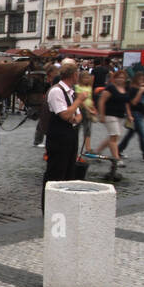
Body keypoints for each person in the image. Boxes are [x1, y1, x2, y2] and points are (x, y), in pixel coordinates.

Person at [42, 60, 84, 212]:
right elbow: (65, 114)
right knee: (55, 173)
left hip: (70, 135)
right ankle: (49, 207)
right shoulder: (56, 91)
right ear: (73, 75)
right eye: (77, 74)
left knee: (69, 172)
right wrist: (78, 103)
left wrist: (73, 115)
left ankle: (63, 207)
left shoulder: (71, 93)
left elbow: (78, 116)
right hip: (58, 137)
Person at [95, 68, 132, 166]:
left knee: (114, 136)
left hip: (119, 116)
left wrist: (129, 115)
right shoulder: (110, 88)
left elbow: (126, 103)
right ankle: (117, 159)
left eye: (123, 78)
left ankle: (97, 151)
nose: (121, 79)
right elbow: (101, 101)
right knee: (115, 136)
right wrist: (101, 115)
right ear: (114, 78)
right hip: (109, 114)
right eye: (119, 77)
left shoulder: (125, 88)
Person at [119, 70, 144, 163]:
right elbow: (133, 102)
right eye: (140, 79)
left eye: (143, 79)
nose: (141, 80)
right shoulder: (132, 89)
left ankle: (118, 150)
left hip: (140, 113)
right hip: (134, 113)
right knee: (142, 135)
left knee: (130, 134)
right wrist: (140, 92)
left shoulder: (141, 88)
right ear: (136, 79)